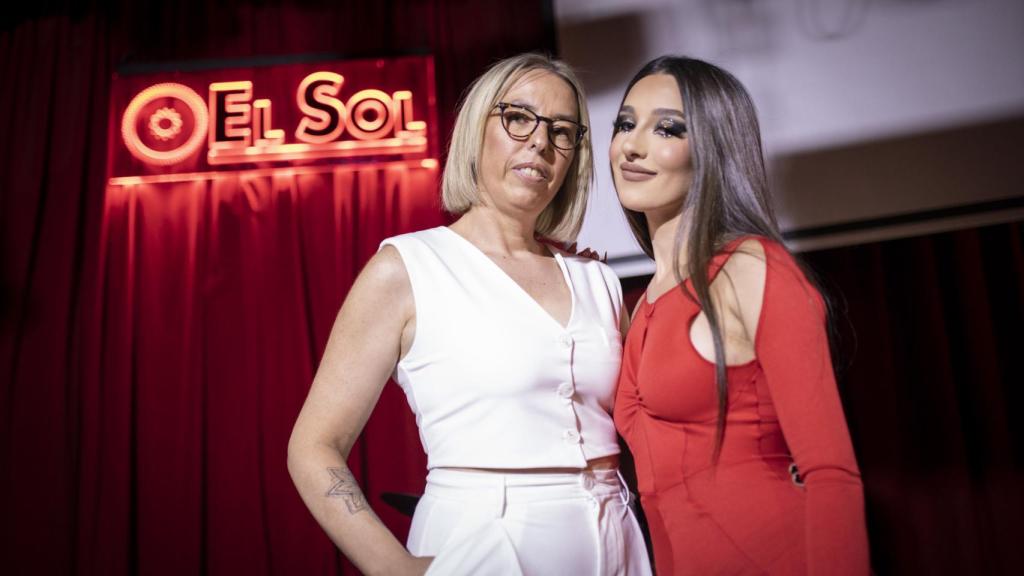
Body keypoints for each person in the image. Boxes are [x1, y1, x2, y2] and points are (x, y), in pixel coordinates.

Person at [287, 53, 652, 576]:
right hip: (486, 541)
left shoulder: (598, 279)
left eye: (563, 131)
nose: (540, 143)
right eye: (518, 117)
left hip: (616, 536)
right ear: (475, 127)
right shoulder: (407, 268)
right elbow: (313, 446)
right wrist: (392, 567)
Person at [610, 56, 870, 575]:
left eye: (667, 128)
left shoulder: (752, 269)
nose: (632, 145)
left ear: (712, 150)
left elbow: (831, 473)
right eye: (624, 123)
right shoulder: (640, 307)